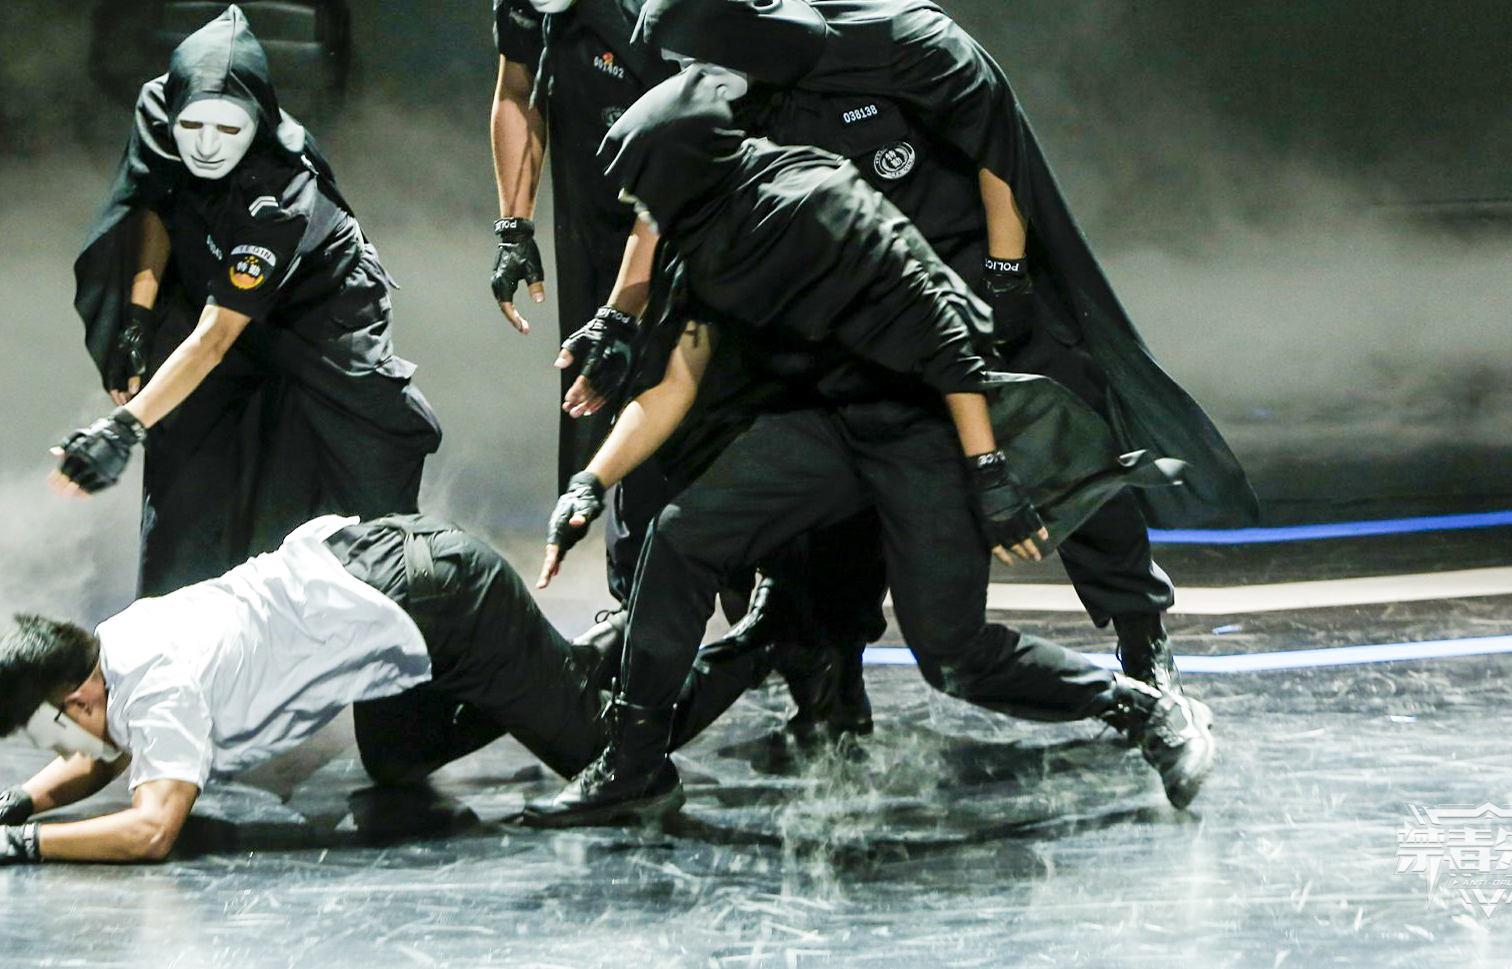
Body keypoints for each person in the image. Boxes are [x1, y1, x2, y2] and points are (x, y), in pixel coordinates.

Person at [520, 62, 1214, 828]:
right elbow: (676, 383)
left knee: (951, 654)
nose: (637, 210)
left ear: (686, 169)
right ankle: (633, 764)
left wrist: (988, 473)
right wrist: (590, 482)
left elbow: (947, 343)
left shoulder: (815, 201)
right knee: (682, 535)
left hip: (926, 425)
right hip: (834, 425)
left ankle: (1142, 709)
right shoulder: (706, 233)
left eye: (645, 189)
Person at [621, 0, 1258, 700]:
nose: (686, 81)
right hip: (863, 315)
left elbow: (999, 150)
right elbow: (669, 205)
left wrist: (1005, 276)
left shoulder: (896, 37)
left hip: (975, 272)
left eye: (694, 61)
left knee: (1068, 439)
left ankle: (1139, 633)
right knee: (830, 478)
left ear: (734, 34)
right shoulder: (734, 104)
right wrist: (622, 316)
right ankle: (829, 671)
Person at [0, 512, 773, 871]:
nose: (61, 747)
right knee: (396, 756)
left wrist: (24, 843)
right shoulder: (115, 644)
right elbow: (109, 752)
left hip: (443, 603)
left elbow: (150, 829)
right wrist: (21, 799)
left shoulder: (157, 686)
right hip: (395, 599)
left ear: (75, 698)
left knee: (614, 759)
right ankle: (564, 666)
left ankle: (767, 632)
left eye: (52, 730)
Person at [63, 6, 442, 595]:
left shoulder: (280, 197)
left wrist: (121, 429)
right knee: (183, 481)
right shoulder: (159, 111)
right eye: (193, 126)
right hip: (213, 285)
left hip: (320, 319)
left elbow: (215, 339)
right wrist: (137, 318)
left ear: (257, 124)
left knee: (362, 502)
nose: (206, 146)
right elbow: (158, 198)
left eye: (229, 130)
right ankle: (184, 627)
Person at [469, 0, 683, 592]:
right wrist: (513, 225)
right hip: (593, 205)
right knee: (602, 389)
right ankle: (634, 595)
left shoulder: (657, 0)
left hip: (683, 212)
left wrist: (626, 305)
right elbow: (515, 90)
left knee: (674, 386)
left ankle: (738, 594)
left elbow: (682, 163)